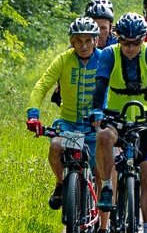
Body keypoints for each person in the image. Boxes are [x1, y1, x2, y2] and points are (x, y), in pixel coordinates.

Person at [89, 13, 147, 233]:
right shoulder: (110, 54)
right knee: (103, 137)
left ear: (142, 41)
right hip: (116, 118)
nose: (131, 48)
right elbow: (100, 84)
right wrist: (96, 109)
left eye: (135, 43)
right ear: (119, 39)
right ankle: (108, 187)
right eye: (126, 43)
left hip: (145, 121)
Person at [26, 18, 102, 220]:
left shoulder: (105, 59)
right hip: (69, 124)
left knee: (101, 169)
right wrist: (33, 115)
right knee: (55, 147)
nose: (84, 45)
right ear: (72, 41)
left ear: (96, 40)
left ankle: (105, 222)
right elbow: (42, 86)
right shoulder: (63, 59)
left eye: (88, 40)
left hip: (96, 126)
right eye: (78, 40)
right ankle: (61, 184)